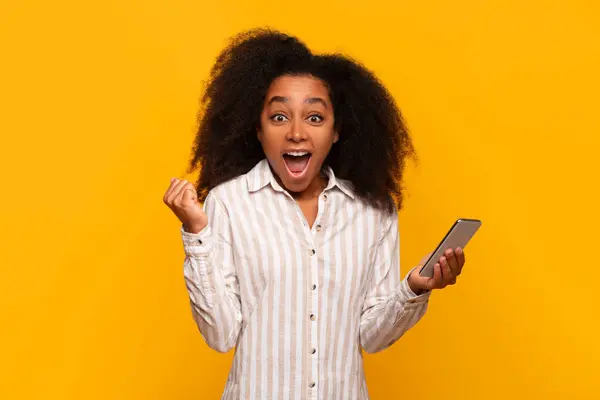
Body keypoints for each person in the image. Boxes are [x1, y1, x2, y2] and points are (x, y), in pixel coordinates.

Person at [163, 28, 466, 400]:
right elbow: (220, 335)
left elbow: (371, 337)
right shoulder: (228, 204)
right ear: (257, 128)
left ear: (337, 130)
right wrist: (196, 234)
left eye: (314, 118)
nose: (295, 133)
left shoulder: (373, 211)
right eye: (278, 117)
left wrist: (414, 289)